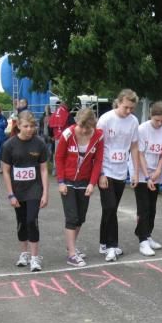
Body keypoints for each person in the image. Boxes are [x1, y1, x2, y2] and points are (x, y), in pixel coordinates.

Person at [55, 107, 105, 267]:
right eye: (81, 126)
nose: (84, 131)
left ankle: (71, 246)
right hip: (68, 180)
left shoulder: (99, 136)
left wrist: (92, 183)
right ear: (77, 122)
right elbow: (59, 157)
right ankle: (71, 255)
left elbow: (98, 161)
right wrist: (60, 181)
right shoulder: (67, 134)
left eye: (88, 127)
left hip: (84, 181)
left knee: (80, 218)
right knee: (72, 217)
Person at [1, 111, 49, 272]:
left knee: (31, 220)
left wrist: (45, 193)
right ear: (19, 126)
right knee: (21, 222)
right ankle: (24, 253)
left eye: (32, 126)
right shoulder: (9, 145)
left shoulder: (39, 143)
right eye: (26, 126)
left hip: (34, 189)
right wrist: (10, 194)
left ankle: (35, 257)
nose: (29, 129)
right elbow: (6, 171)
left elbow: (43, 169)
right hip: (18, 190)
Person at [96, 89, 141, 262]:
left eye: (132, 108)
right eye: (125, 107)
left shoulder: (133, 121)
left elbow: (134, 147)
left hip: (121, 171)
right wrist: (100, 173)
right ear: (119, 102)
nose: (128, 111)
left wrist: (135, 172)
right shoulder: (106, 119)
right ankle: (112, 246)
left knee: (110, 209)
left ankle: (103, 242)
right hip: (106, 170)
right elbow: (98, 146)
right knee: (110, 207)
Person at [134, 101, 162, 257]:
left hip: (155, 172)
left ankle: (147, 234)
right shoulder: (142, 129)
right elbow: (140, 154)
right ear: (151, 116)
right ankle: (142, 240)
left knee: (152, 207)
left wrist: (158, 170)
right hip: (141, 172)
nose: (160, 123)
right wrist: (147, 176)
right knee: (143, 207)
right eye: (157, 120)